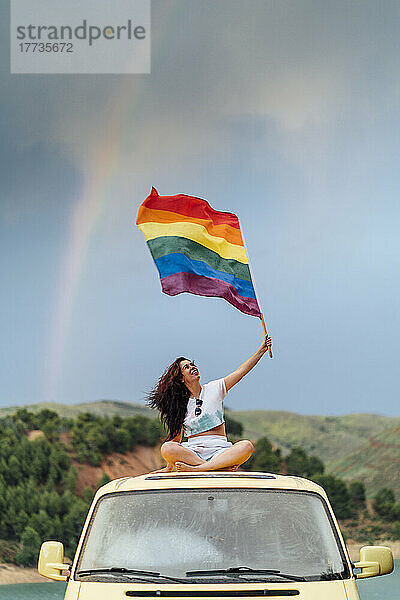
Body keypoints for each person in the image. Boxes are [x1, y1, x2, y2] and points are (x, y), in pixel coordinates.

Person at [147, 334, 272, 472]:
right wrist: (168, 467)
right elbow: (175, 440)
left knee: (246, 446)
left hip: (220, 451)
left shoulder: (215, 388)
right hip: (193, 453)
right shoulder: (180, 404)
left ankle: (199, 469)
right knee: (167, 447)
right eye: (186, 367)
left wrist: (261, 350)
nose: (192, 367)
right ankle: (214, 468)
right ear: (181, 378)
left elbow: (241, 372)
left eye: (192, 364)